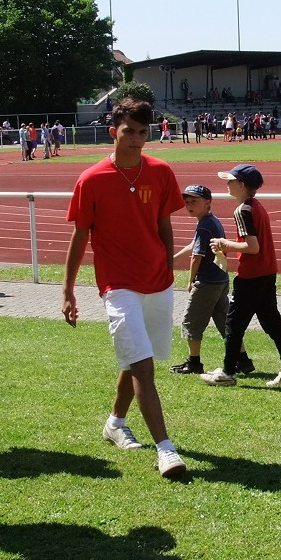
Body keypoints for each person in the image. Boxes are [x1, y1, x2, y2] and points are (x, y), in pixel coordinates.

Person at [62, 97, 187, 479]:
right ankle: (166, 450)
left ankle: (115, 422)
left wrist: (167, 268)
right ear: (113, 130)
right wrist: (67, 290)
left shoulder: (162, 172)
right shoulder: (91, 179)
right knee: (144, 367)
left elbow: (164, 225)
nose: (136, 139)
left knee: (139, 357)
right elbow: (79, 236)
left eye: (143, 132)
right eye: (129, 131)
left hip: (157, 282)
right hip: (117, 286)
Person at [199, 164, 281, 388]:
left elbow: (252, 247)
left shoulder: (243, 210)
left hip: (251, 276)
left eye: (230, 181)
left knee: (233, 324)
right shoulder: (255, 206)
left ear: (242, 185)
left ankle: (227, 372)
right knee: (272, 322)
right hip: (266, 273)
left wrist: (223, 243)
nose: (227, 184)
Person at [168, 184, 254, 376]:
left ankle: (194, 362)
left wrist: (191, 280)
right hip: (220, 280)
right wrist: (171, 261)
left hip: (207, 282)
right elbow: (193, 245)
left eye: (194, 201)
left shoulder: (205, 224)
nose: (189, 205)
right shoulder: (210, 221)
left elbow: (196, 256)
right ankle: (243, 360)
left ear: (207, 203)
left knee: (191, 322)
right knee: (226, 322)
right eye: (187, 202)